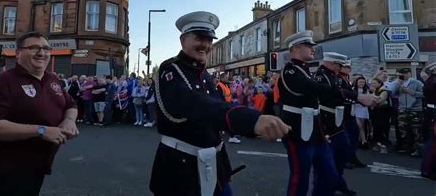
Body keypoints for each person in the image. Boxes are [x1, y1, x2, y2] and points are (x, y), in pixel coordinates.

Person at [149, 11, 290, 196]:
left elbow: (214, 123)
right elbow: (195, 105)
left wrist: (224, 165)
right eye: (200, 38)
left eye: (209, 40)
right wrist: (250, 119)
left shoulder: (205, 74)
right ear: (183, 40)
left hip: (214, 164)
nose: (206, 45)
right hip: (181, 167)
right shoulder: (171, 69)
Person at [0, 31, 79, 196]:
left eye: (45, 48)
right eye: (33, 48)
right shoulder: (0, 82)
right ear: (18, 53)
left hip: (37, 165)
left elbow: (70, 104)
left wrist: (69, 120)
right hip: (5, 169)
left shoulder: (52, 80)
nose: (41, 53)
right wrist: (41, 130)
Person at [278, 31, 377, 196]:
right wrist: (358, 96)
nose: (313, 49)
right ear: (295, 48)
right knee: (299, 179)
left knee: (329, 174)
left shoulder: (305, 70)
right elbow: (321, 90)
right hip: (297, 132)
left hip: (317, 132)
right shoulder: (290, 71)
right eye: (308, 46)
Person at [314, 52, 356, 195]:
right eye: (339, 65)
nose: (340, 68)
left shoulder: (334, 76)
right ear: (331, 63)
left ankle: (338, 182)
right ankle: (323, 189)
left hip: (337, 121)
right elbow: (330, 93)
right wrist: (357, 96)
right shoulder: (320, 76)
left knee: (342, 152)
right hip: (326, 123)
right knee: (326, 162)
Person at [339, 60, 366, 168]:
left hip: (350, 111)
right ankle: (345, 159)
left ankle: (352, 156)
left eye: (349, 67)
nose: (348, 69)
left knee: (353, 134)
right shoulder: (339, 79)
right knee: (346, 136)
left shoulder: (347, 78)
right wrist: (357, 100)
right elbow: (342, 95)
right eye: (346, 67)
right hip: (344, 112)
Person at [395, 68, 425, 155]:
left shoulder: (417, 83)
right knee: (403, 129)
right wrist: (398, 85)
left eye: (405, 73)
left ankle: (419, 150)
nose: (403, 75)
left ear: (409, 74)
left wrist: (410, 91)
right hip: (403, 109)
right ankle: (407, 148)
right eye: (401, 74)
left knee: (417, 130)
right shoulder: (398, 83)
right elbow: (393, 93)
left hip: (415, 110)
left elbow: (423, 94)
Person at [420, 61, 436, 180]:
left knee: (430, 141)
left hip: (429, 111)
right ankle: (429, 170)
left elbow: (423, 71)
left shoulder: (428, 80)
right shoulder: (433, 81)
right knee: (433, 143)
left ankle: (426, 169)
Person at [369, 78, 392, 154]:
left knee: (381, 127)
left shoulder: (384, 91)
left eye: (375, 83)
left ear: (379, 83)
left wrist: (372, 98)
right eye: (372, 83)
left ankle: (383, 145)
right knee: (376, 128)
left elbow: (379, 101)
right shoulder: (375, 91)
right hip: (375, 112)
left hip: (382, 112)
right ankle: (377, 143)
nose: (373, 85)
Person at [217, 73, 241, 144]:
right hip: (225, 106)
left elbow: (228, 95)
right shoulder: (219, 86)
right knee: (229, 120)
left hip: (228, 104)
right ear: (222, 78)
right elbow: (220, 97)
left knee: (226, 121)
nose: (228, 78)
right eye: (226, 77)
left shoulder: (226, 85)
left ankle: (231, 135)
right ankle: (232, 136)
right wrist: (224, 105)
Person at [353, 76, 371, 149]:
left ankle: (362, 141)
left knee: (362, 126)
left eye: (363, 82)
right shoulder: (353, 90)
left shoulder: (366, 90)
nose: (362, 83)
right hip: (355, 109)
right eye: (360, 82)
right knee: (359, 125)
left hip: (363, 109)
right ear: (357, 82)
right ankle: (363, 141)